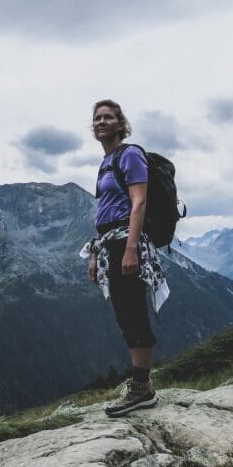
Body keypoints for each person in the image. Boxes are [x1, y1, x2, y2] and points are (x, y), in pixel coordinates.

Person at [82, 98, 167, 417]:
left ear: (121, 124)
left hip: (125, 242)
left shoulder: (130, 155)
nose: (101, 122)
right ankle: (140, 386)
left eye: (108, 117)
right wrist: (95, 254)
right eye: (97, 118)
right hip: (110, 243)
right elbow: (104, 214)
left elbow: (139, 204)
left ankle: (142, 388)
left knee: (132, 312)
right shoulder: (106, 163)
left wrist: (131, 249)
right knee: (124, 314)